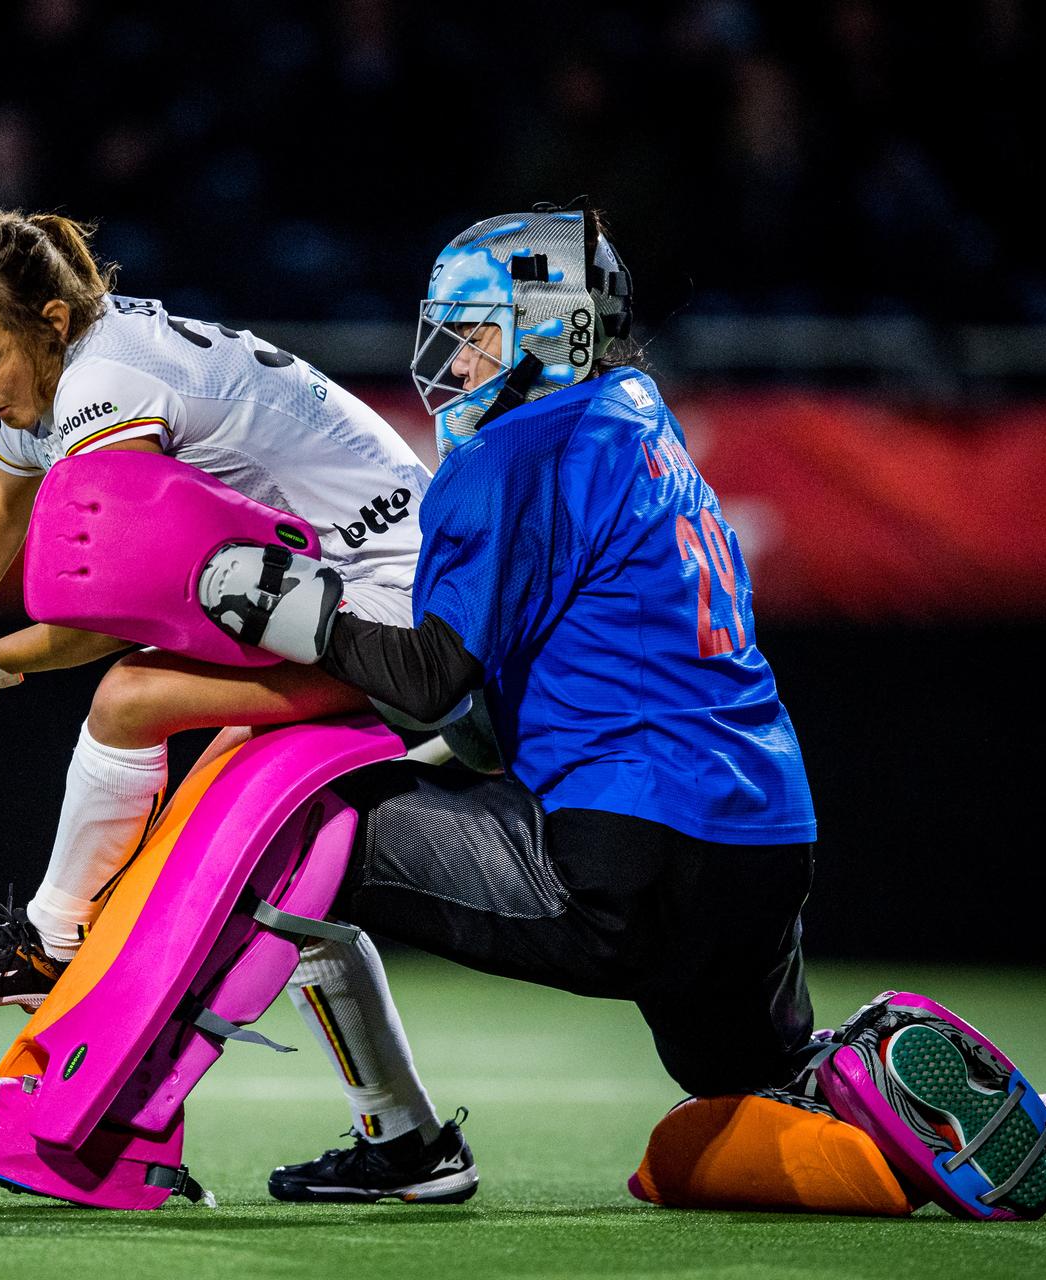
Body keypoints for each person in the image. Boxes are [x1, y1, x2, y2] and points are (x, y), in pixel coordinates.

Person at [0, 210, 478, 1202]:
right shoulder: (52, 383)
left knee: (131, 693)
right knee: (291, 867)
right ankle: (409, 1142)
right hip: (322, 601)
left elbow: (120, 604)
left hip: (398, 614)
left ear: (50, 320)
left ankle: (51, 941)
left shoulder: (106, 384)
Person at [201, 204, 820, 1173]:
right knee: (750, 1086)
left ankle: (397, 1138)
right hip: (767, 846)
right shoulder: (642, 420)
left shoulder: (510, 450)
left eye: (478, 335)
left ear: (555, 331)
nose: (454, 362)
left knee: (296, 821)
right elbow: (491, 713)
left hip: (631, 852)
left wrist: (300, 612)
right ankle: (869, 1074)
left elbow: (429, 679)